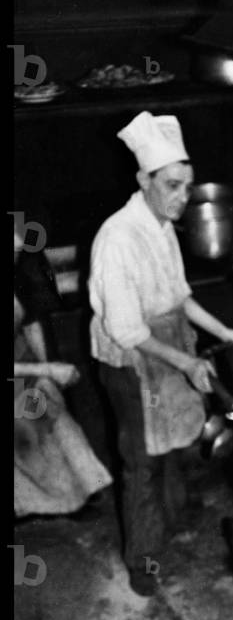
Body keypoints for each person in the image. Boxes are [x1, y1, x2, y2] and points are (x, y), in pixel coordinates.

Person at [89, 111, 233, 597]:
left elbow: (180, 296)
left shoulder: (162, 225)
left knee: (175, 441)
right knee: (142, 459)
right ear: (144, 180)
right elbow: (126, 330)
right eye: (174, 186)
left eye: (188, 186)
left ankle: (172, 517)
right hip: (132, 359)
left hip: (170, 341)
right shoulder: (118, 237)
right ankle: (143, 560)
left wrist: (226, 331)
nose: (184, 198)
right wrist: (187, 363)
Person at [14, 219, 112, 519]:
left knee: (63, 428)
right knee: (30, 446)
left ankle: (84, 495)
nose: (17, 255)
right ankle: (44, 509)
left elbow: (30, 325)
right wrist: (48, 369)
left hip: (29, 369)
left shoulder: (17, 279)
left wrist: (49, 371)